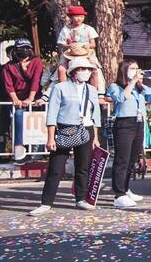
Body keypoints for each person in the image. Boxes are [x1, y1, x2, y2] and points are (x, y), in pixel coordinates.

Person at [31, 56, 101, 215]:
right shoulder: (60, 88)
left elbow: (95, 114)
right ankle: (46, 202)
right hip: (65, 128)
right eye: (82, 69)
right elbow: (52, 113)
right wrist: (50, 137)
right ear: (73, 72)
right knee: (56, 167)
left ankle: (81, 198)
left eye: (88, 69)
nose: (86, 72)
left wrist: (95, 137)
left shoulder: (91, 90)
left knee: (83, 167)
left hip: (86, 128)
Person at [105, 60, 151, 209]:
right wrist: (133, 82)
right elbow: (121, 98)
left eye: (137, 68)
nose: (136, 70)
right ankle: (119, 193)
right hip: (124, 123)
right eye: (132, 68)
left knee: (132, 159)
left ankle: (126, 188)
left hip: (138, 122)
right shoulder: (116, 86)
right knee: (122, 159)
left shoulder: (140, 87)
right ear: (124, 70)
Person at [2, 39, 45, 162]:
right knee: (19, 116)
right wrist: (15, 99)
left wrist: (30, 98)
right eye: (20, 49)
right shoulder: (8, 66)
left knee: (38, 122)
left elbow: (36, 81)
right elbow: (8, 84)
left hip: (34, 98)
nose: (24, 52)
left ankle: (38, 153)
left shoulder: (37, 62)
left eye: (26, 48)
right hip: (18, 99)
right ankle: (19, 148)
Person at [55, 5, 102, 86]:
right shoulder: (66, 29)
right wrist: (69, 46)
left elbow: (93, 44)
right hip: (70, 53)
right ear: (71, 17)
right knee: (61, 69)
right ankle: (63, 90)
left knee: (95, 70)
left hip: (86, 53)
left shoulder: (88, 29)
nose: (79, 19)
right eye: (76, 16)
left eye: (81, 16)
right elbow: (62, 44)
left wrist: (88, 46)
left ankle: (95, 92)